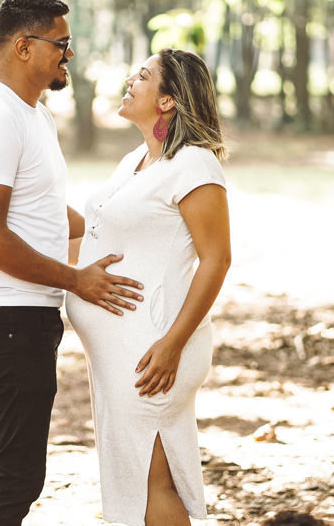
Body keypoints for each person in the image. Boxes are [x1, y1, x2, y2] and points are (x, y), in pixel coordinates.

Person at [0, 0, 145, 526]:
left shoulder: (32, 114)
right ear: (22, 46)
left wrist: (116, 230)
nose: (69, 54)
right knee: (18, 473)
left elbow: (40, 209)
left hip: (18, 314)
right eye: (61, 43)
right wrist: (75, 280)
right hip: (3, 315)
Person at [66, 48, 232, 526]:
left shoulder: (195, 166)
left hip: (155, 352)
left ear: (167, 102)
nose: (130, 80)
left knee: (152, 482)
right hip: (124, 355)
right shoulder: (137, 159)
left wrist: (172, 344)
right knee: (135, 481)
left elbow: (216, 259)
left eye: (143, 76)